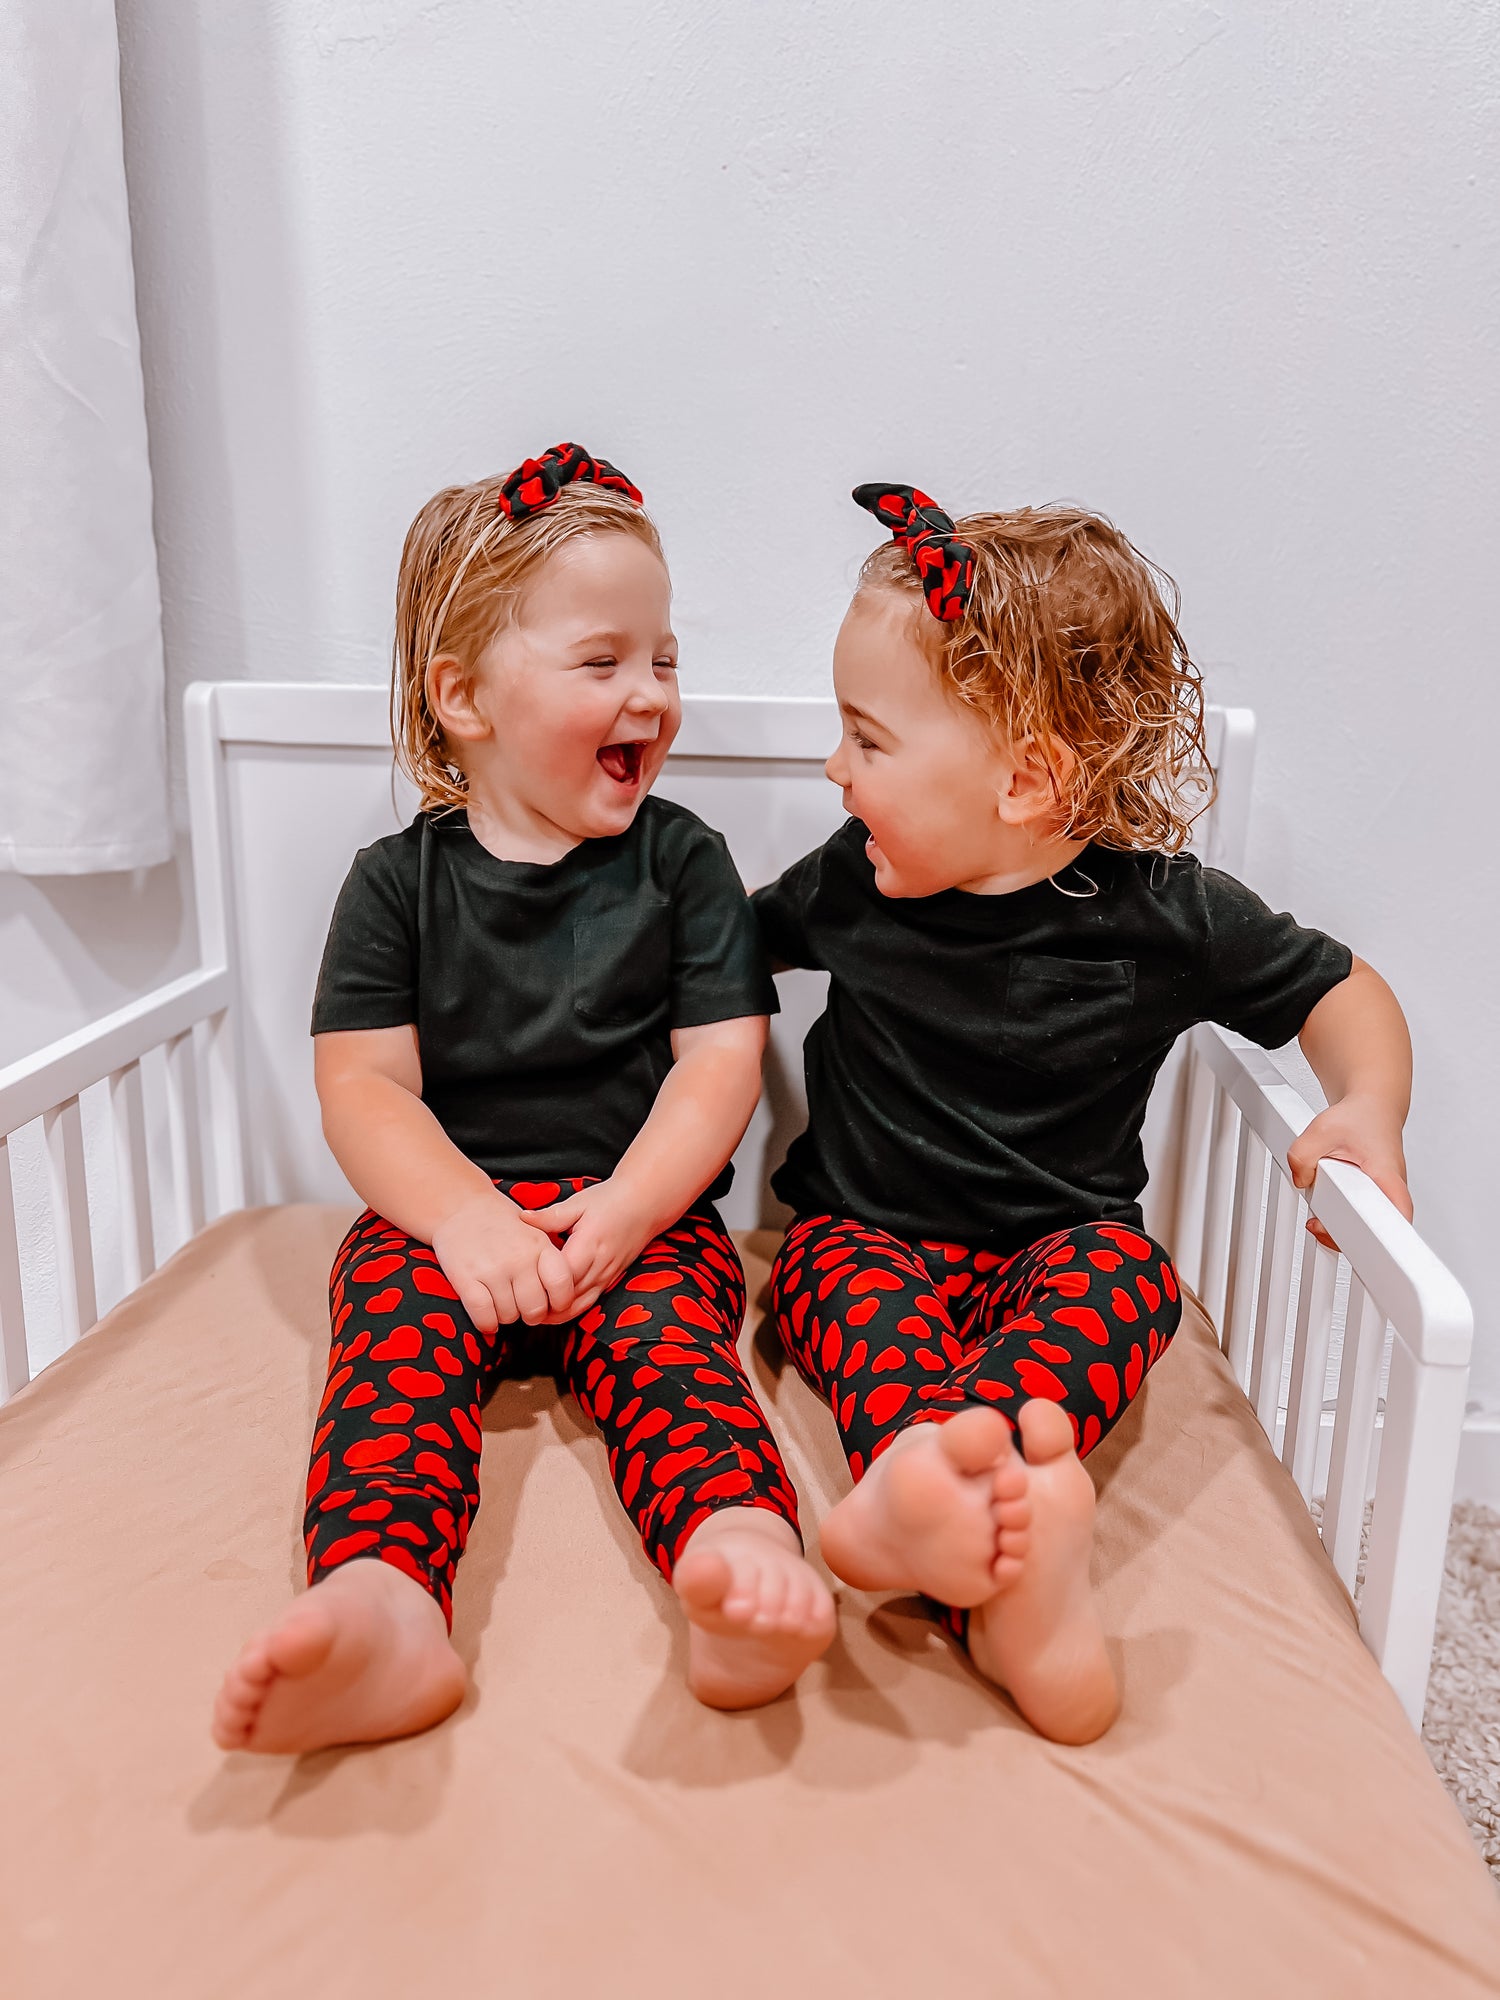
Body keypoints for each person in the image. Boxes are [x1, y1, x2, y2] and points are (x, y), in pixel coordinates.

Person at [754, 483, 1414, 1744]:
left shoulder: (1163, 916)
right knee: (832, 1288)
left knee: (1131, 1280)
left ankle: (979, 1479)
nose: (835, 771)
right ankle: (969, 1528)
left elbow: (1342, 989)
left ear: (1027, 777)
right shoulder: (852, 882)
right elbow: (711, 971)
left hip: (1059, 1240)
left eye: (868, 740)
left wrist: (1368, 1103)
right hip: (866, 1229)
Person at [213, 444, 834, 1755]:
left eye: (663, 659)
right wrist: (461, 1221)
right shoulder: (396, 884)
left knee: (680, 1367)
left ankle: (738, 1555)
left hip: (637, 1215)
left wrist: (628, 1210)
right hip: (452, 1222)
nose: (651, 694)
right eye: (603, 662)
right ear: (465, 698)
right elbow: (362, 1085)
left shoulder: (685, 863)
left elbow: (715, 1066)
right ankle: (382, 1603)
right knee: (386, 1366)